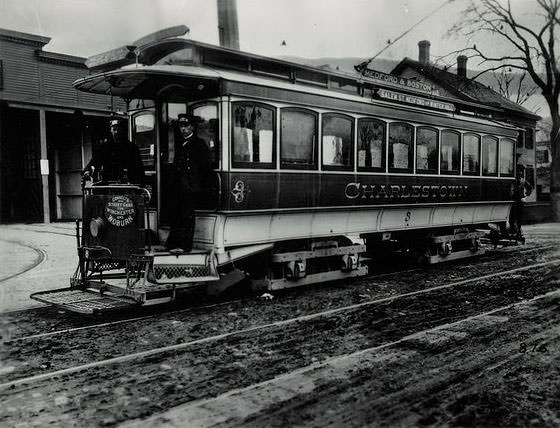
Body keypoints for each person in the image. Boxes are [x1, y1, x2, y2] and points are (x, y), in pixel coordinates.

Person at [166, 114, 212, 252]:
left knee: (187, 216)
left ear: (192, 127)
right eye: (181, 126)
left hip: (191, 188)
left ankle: (185, 246)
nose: (183, 129)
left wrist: (199, 186)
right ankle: (173, 244)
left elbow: (205, 168)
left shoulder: (199, 144)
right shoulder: (181, 143)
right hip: (179, 187)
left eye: (186, 126)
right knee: (177, 215)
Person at [83, 118, 145, 185]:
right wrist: (88, 170)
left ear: (123, 131)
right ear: (110, 130)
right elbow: (95, 161)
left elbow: (139, 167)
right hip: (109, 184)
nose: (117, 132)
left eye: (119, 129)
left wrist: (139, 182)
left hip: (128, 184)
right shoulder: (104, 147)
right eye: (114, 129)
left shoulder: (132, 148)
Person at [510, 165, 533, 241]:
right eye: (518, 171)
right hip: (512, 201)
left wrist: (525, 196)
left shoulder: (523, 181)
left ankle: (518, 231)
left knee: (519, 217)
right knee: (512, 217)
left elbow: (530, 188)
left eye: (521, 171)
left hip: (520, 201)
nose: (520, 173)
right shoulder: (512, 180)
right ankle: (513, 231)